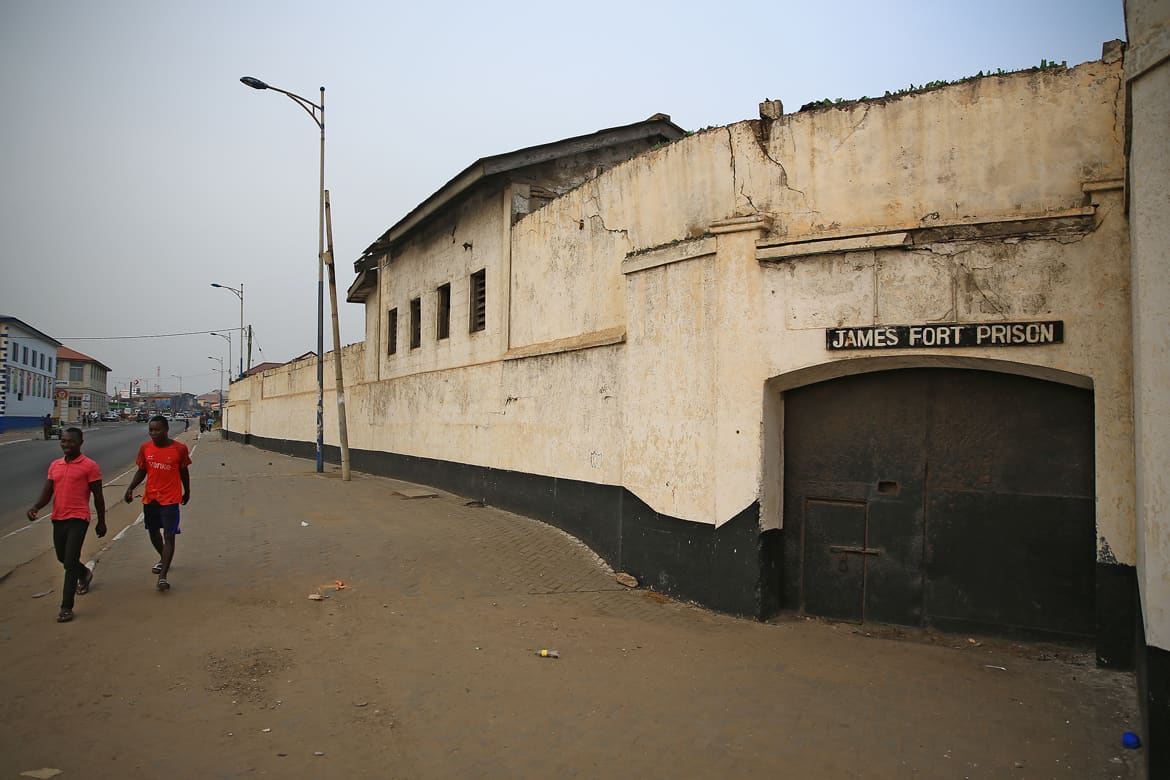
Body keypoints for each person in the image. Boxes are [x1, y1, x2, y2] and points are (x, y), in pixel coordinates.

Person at [26, 427, 107, 623]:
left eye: (71, 441)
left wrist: (101, 521)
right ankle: (84, 573)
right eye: (63, 441)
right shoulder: (55, 465)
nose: (66, 445)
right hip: (58, 518)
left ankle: (66, 606)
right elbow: (48, 491)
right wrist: (36, 507)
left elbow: (98, 496)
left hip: (79, 518)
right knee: (63, 558)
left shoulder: (90, 466)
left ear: (80, 443)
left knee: (70, 561)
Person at [124, 415, 191, 592]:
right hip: (151, 498)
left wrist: (187, 491)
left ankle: (163, 577)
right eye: (151, 430)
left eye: (157, 429)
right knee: (153, 533)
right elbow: (141, 470)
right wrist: (130, 488)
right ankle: (164, 558)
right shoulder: (145, 448)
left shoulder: (180, 449)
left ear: (166, 430)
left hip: (170, 499)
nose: (153, 433)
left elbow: (184, 471)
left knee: (169, 535)